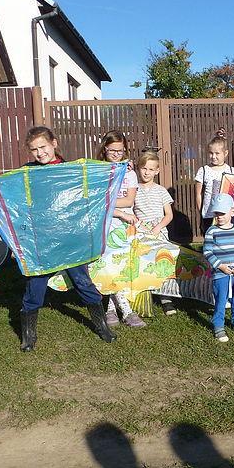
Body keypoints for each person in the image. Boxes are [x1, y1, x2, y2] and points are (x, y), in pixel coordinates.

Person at [19, 126, 116, 351]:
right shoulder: (26, 173)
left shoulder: (72, 171)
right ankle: (28, 335)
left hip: (70, 241)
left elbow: (96, 183)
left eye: (43, 147)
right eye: (34, 149)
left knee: (83, 282)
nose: (39, 153)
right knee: (35, 287)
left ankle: (102, 326)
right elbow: (6, 186)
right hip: (41, 242)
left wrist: (118, 169)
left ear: (54, 143)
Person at [96, 131, 146, 328]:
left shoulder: (129, 172)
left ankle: (110, 308)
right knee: (108, 263)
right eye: (112, 150)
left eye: (120, 150)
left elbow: (129, 200)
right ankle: (125, 311)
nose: (117, 154)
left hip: (125, 225)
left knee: (122, 265)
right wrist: (119, 211)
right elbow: (95, 199)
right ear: (104, 149)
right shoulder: (98, 170)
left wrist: (110, 205)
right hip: (106, 224)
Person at [133, 150, 177, 316]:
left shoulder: (161, 191)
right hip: (141, 232)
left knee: (162, 264)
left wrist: (158, 227)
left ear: (157, 171)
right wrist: (140, 227)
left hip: (159, 233)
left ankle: (166, 298)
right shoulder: (134, 189)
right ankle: (144, 294)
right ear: (139, 168)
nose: (147, 172)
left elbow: (169, 214)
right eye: (144, 168)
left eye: (151, 169)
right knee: (143, 264)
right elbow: (132, 210)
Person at [202, 194, 234, 342]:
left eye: (222, 213)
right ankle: (218, 324)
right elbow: (207, 251)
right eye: (216, 213)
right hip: (220, 274)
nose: (219, 216)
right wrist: (220, 266)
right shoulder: (212, 231)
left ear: (232, 212)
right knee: (221, 300)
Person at [195, 136, 234, 235]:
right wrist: (202, 212)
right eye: (211, 153)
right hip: (209, 215)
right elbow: (198, 194)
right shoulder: (203, 170)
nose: (213, 156)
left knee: (226, 238)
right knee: (210, 239)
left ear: (225, 153)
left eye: (217, 153)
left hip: (226, 215)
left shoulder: (232, 171)